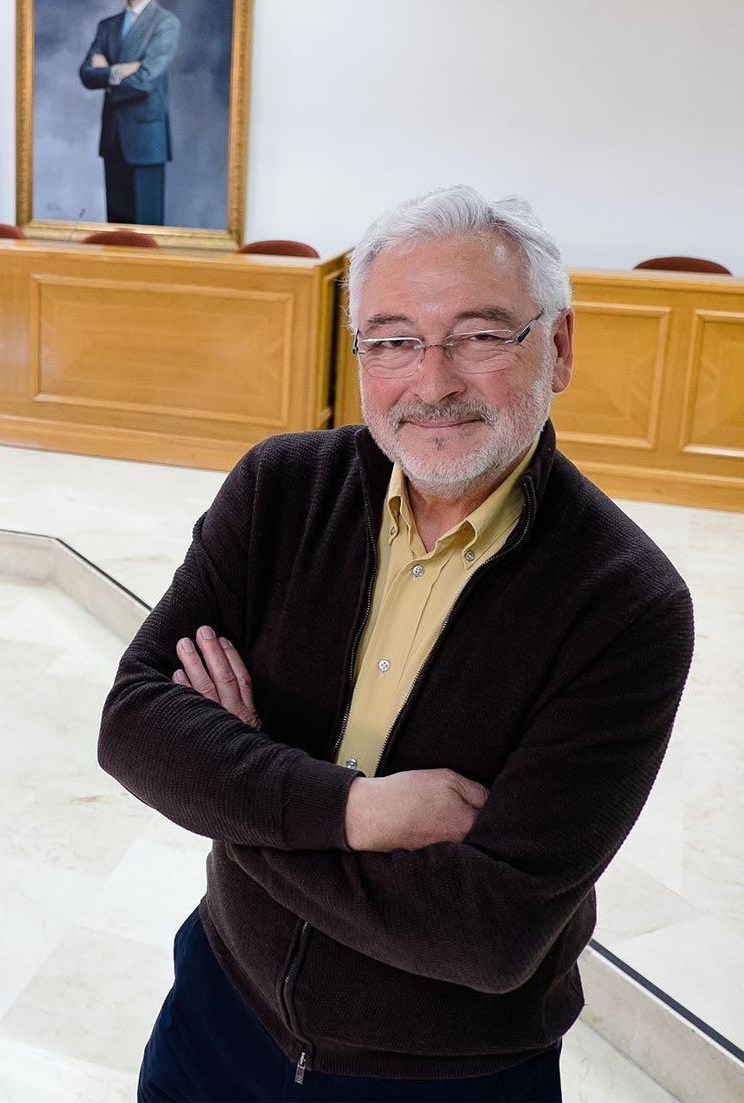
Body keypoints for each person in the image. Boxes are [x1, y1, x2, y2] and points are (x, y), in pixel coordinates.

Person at [98, 185, 695, 1102]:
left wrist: (235, 785)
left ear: (560, 347)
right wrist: (355, 812)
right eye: (393, 341)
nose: (434, 380)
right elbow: (132, 723)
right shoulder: (280, 490)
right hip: (221, 1011)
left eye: (481, 335)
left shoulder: (625, 602)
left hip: (444, 1076)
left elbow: (489, 937)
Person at [78, 0, 182, 226]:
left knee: (146, 238)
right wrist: (119, 71)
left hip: (147, 143)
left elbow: (145, 81)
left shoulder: (166, 23)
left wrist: (108, 73)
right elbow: (86, 74)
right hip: (113, 141)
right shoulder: (107, 26)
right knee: (116, 238)